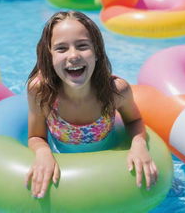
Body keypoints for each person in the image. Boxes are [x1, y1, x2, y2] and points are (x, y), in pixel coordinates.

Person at [25, 11, 158, 199]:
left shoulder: (116, 91)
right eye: (61, 48)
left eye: (82, 46)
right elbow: (36, 136)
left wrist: (138, 144)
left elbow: (134, 120)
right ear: (50, 55)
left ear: (96, 52)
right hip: (64, 159)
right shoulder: (42, 92)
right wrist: (43, 153)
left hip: (109, 156)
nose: (73, 55)